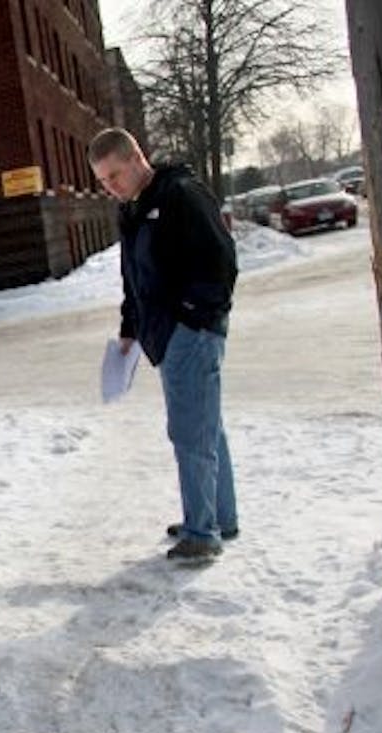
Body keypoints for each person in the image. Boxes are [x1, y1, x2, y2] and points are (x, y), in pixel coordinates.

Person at [88, 127, 238, 562]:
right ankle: (218, 518)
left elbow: (221, 264)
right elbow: (136, 279)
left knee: (190, 433)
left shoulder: (181, 196)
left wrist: (191, 319)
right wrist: (129, 329)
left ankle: (201, 534)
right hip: (166, 335)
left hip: (190, 333)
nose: (110, 187)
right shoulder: (134, 209)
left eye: (115, 175)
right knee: (207, 427)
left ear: (137, 159)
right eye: (102, 181)